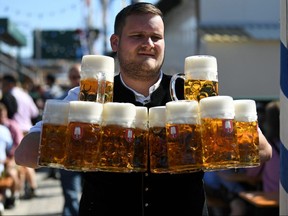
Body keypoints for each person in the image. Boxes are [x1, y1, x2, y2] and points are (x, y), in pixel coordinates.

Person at [15, 2, 272, 216]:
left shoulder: (194, 92)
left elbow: (263, 150)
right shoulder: (87, 97)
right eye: (137, 36)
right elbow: (24, 154)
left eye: (156, 37)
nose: (148, 43)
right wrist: (83, 140)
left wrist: (210, 143)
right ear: (115, 42)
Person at [1, 74, 39, 199]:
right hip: (29, 129)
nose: (2, 87)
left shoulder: (9, 96)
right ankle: (31, 187)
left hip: (15, 130)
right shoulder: (25, 94)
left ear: (9, 84)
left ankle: (23, 189)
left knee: (21, 162)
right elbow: (35, 112)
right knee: (26, 163)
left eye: (3, 84)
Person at [58, 64, 83, 216]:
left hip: (90, 157)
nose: (77, 81)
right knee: (71, 195)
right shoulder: (62, 100)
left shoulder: (99, 100)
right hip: (69, 156)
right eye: (74, 77)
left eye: (79, 76)